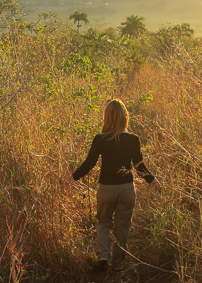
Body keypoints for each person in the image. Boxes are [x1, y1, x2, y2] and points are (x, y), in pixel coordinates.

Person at [66, 99, 160, 272]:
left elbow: (89, 163)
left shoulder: (100, 139)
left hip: (106, 189)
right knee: (122, 226)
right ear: (125, 117)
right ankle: (118, 263)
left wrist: (73, 177)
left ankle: (103, 256)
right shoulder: (133, 139)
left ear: (107, 117)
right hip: (126, 190)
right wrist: (152, 179)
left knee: (103, 222)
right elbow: (139, 167)